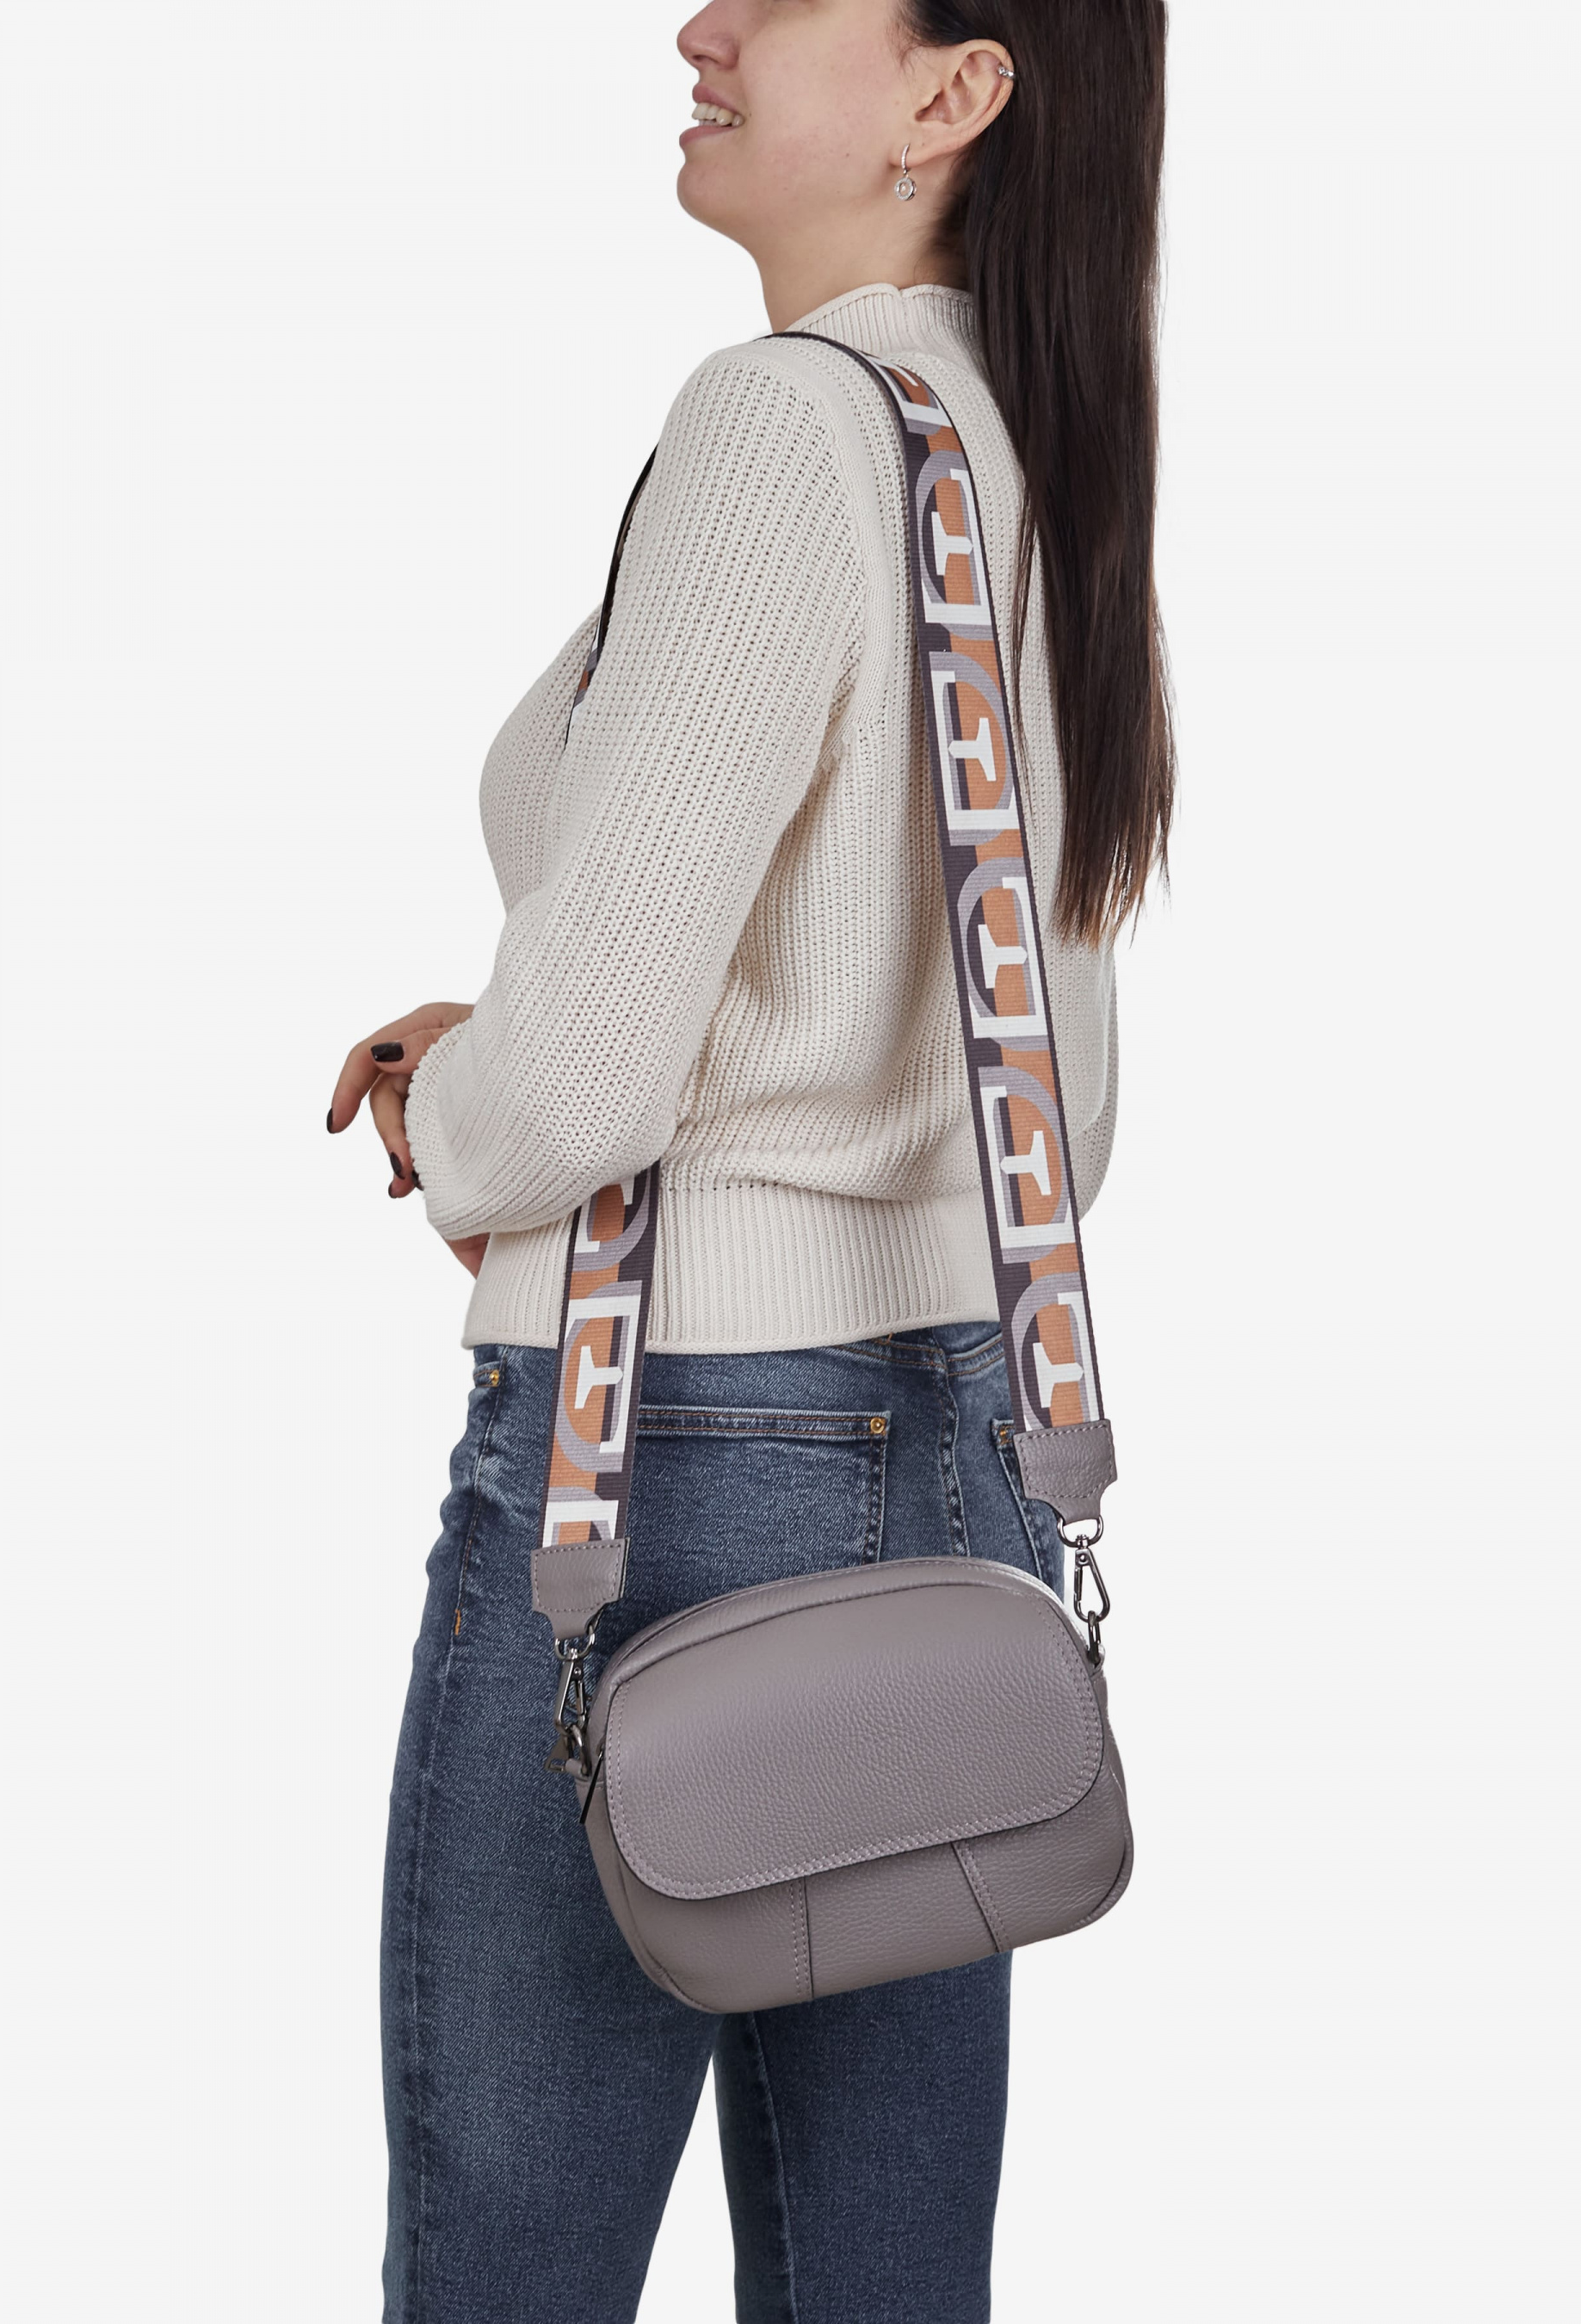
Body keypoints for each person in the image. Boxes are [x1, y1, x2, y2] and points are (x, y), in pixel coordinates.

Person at [327, 3, 1172, 2315]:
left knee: (507, 2268)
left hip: (655, 1478)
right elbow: (1054, 1092)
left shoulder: (777, 429)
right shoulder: (1030, 448)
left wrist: (459, 1118)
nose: (698, 24)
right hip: (954, 1467)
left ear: (953, 94)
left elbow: (584, 1081)